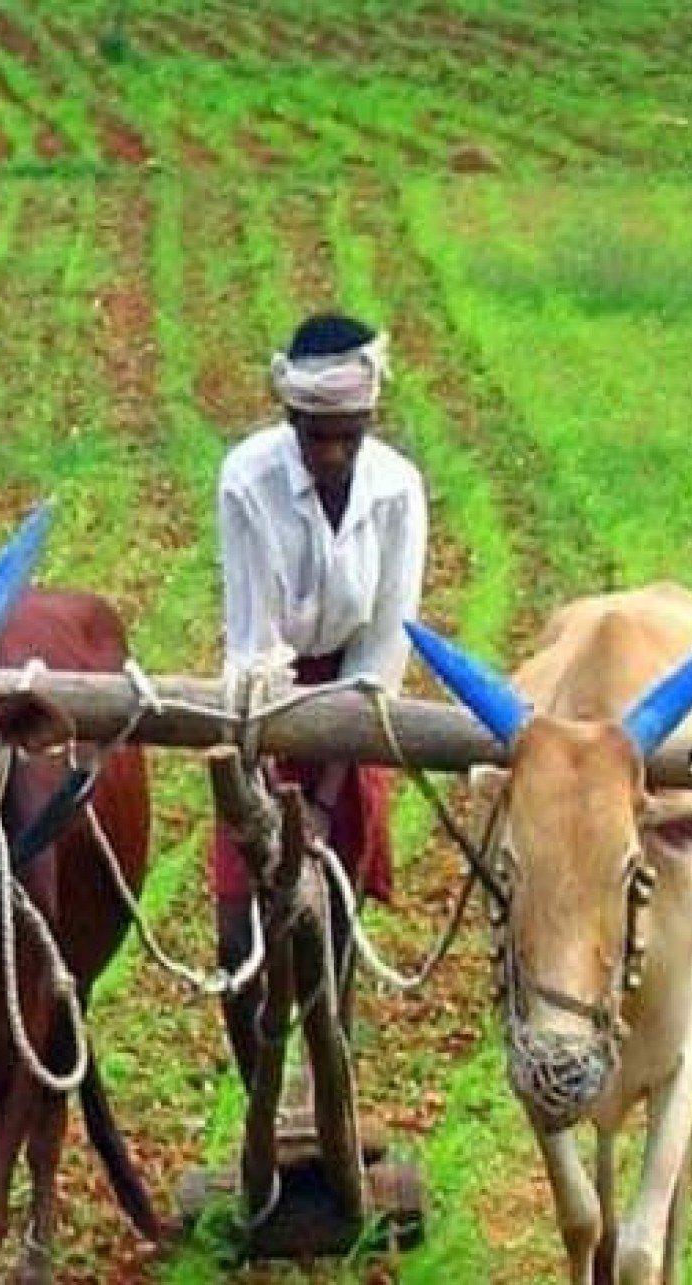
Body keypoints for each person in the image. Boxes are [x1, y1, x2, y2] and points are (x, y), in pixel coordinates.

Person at [211, 311, 428, 1087]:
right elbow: (254, 645)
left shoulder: (398, 490)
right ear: (290, 418)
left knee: (330, 922)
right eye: (316, 435)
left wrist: (330, 800)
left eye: (347, 434)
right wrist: (266, 805)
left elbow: (381, 652)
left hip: (353, 707)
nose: (332, 452)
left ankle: (331, 1084)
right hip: (265, 705)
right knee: (239, 938)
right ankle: (261, 1104)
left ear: (369, 420)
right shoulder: (248, 478)